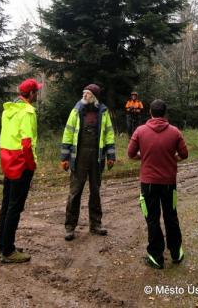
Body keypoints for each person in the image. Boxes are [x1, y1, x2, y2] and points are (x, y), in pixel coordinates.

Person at [128, 99, 188, 269]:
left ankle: (156, 256)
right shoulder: (175, 131)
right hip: (169, 182)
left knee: (152, 218)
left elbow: (130, 154)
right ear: (165, 113)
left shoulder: (140, 131)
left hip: (148, 183)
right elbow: (184, 154)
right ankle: (176, 252)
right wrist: (172, 159)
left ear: (150, 112)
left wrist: (144, 157)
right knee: (171, 216)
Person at [60, 84, 116, 240]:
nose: (84, 95)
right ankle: (70, 227)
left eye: (88, 93)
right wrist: (64, 158)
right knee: (75, 192)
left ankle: (96, 225)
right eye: (84, 93)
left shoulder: (103, 112)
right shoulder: (76, 110)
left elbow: (109, 134)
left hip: (97, 157)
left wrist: (111, 156)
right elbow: (68, 132)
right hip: (79, 157)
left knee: (95, 191)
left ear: (94, 97)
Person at [0, 78, 41, 264]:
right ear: (31, 94)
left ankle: (3, 246)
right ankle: (8, 251)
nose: (37, 94)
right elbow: (27, 143)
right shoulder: (27, 112)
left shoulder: (8, 110)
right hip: (21, 164)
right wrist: (31, 166)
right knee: (15, 207)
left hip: (8, 161)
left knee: (7, 205)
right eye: (36, 91)